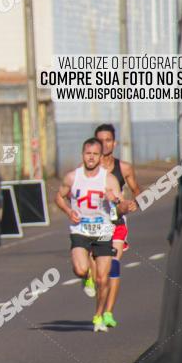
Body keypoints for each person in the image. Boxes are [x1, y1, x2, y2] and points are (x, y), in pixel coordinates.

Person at [55, 138, 130, 332]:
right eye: (88, 153)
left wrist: (114, 200)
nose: (91, 157)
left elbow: (123, 207)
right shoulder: (73, 177)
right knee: (80, 269)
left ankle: (98, 316)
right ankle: (85, 274)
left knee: (102, 280)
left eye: (95, 154)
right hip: (81, 229)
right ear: (83, 155)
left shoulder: (109, 179)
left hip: (104, 232)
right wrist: (68, 211)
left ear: (100, 157)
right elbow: (58, 196)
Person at [88, 124, 140, 327]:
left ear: (114, 143)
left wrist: (135, 202)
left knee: (113, 266)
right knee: (98, 274)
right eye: (100, 141)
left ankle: (108, 313)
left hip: (117, 222)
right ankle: (99, 311)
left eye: (108, 140)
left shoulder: (124, 168)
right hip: (93, 225)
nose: (105, 144)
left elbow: (137, 190)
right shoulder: (89, 168)